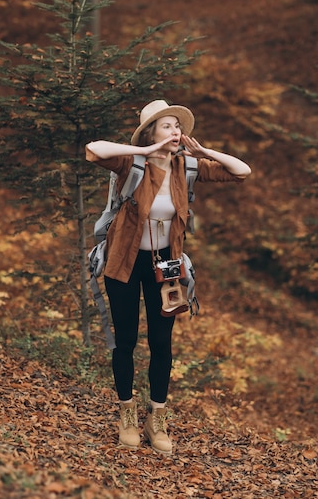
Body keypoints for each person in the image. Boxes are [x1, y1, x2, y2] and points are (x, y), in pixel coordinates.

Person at [85, 99, 251, 454]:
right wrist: (145, 149)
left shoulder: (188, 166)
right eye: (167, 126)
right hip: (123, 263)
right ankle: (127, 413)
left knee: (162, 343)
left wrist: (204, 150)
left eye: (178, 126)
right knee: (126, 340)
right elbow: (94, 150)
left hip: (167, 267)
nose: (176, 132)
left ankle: (156, 418)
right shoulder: (131, 162)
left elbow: (242, 172)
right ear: (151, 132)